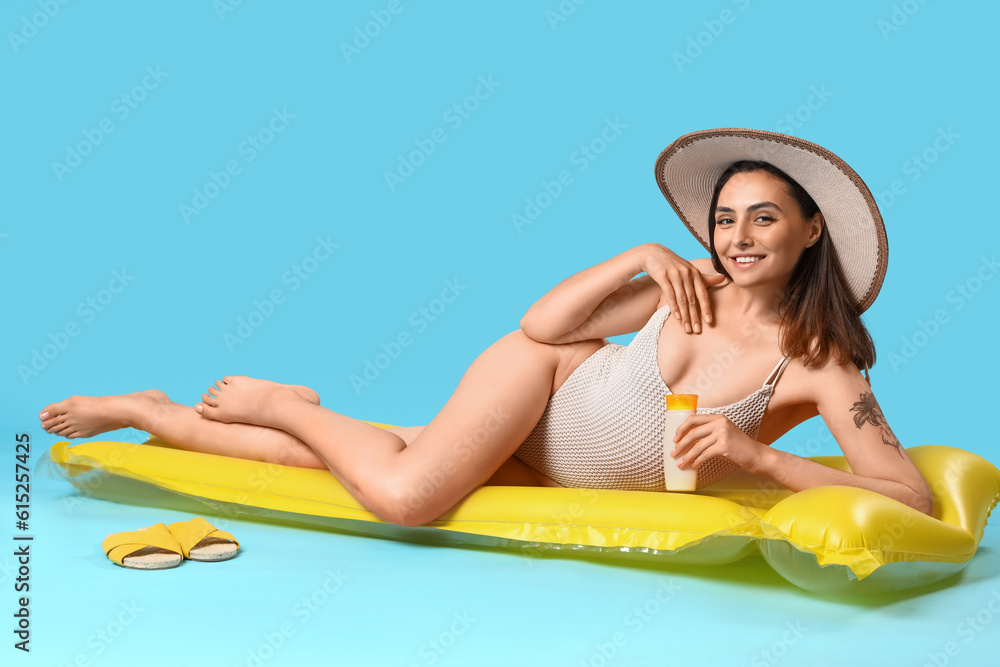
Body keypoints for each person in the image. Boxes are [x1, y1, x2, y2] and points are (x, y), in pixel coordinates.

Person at [38, 128, 934, 526]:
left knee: (315, 466)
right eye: (725, 218)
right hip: (540, 387)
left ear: (812, 230)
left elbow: (913, 499)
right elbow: (541, 328)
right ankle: (283, 399)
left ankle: (153, 410)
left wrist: (760, 461)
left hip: (546, 461)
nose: (736, 238)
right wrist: (637, 256)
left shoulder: (823, 365)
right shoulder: (683, 286)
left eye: (763, 219)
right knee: (407, 499)